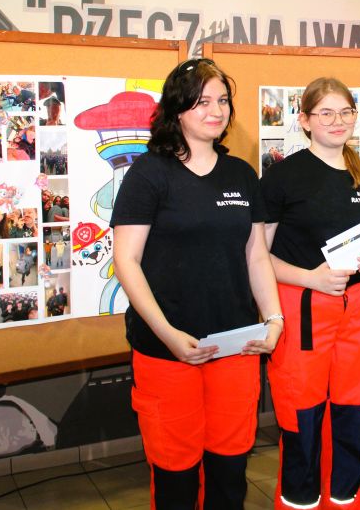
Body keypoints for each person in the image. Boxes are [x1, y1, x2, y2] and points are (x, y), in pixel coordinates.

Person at [111, 57, 283, 509]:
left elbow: (256, 255)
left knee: (229, 470)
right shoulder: (149, 174)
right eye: (202, 101)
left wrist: (274, 319)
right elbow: (126, 261)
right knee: (176, 474)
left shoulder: (241, 174)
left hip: (236, 346)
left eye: (222, 100)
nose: (216, 110)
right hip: (167, 349)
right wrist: (168, 334)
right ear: (177, 109)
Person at [260, 77, 360, 510]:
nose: (338, 121)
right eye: (326, 113)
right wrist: (310, 278)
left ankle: (344, 500)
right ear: (304, 120)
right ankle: (300, 502)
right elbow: (256, 257)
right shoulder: (283, 177)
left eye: (346, 112)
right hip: (304, 305)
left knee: (354, 411)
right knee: (303, 415)